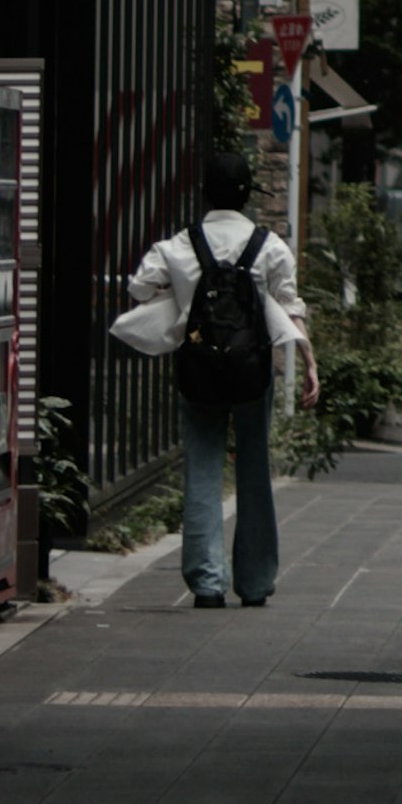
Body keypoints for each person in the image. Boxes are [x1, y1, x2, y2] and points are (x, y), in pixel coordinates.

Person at [110, 148, 313, 610]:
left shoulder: (179, 245)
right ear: (247, 195)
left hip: (198, 370)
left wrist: (180, 296)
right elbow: (290, 305)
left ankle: (206, 583)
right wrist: (309, 363)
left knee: (201, 470)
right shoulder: (270, 246)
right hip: (251, 371)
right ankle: (256, 582)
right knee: (254, 472)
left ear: (205, 191)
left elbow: (139, 287)